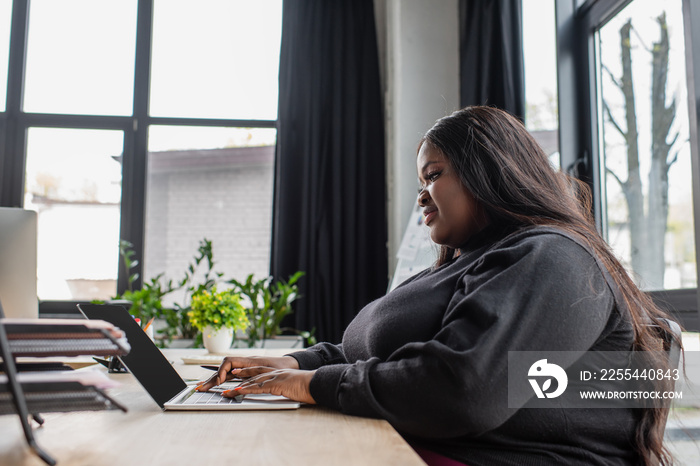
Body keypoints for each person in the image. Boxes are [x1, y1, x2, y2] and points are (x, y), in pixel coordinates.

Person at [198, 106, 679, 465]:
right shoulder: (469, 261)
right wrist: (294, 363)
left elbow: (462, 390)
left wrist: (312, 383)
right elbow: (377, 350)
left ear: (490, 169)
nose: (421, 195)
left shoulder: (553, 256)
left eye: (433, 174)